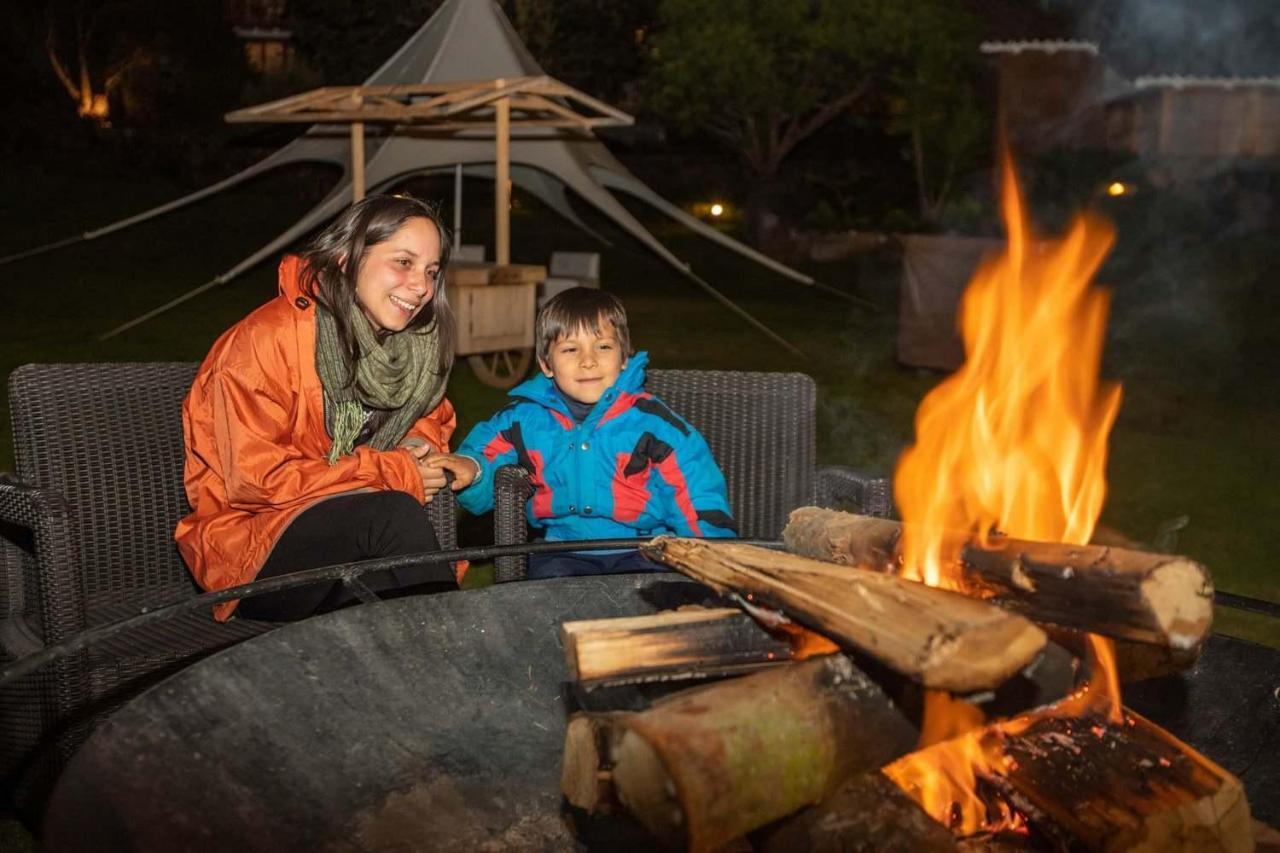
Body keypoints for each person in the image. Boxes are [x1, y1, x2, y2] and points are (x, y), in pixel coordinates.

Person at [176, 194, 463, 621]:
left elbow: (429, 416)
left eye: (431, 271)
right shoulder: (267, 341)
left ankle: (419, 665)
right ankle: (459, 650)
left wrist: (417, 446)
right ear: (345, 259)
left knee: (389, 600)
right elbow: (258, 481)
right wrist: (394, 470)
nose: (421, 286)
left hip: (348, 545)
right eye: (403, 262)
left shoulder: (404, 347)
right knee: (390, 518)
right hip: (252, 551)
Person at [431, 287, 737, 578]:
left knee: (651, 602)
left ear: (624, 357)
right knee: (544, 604)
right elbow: (485, 452)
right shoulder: (525, 420)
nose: (588, 361)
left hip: (643, 550)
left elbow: (695, 492)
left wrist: (711, 562)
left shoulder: (653, 426)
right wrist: (473, 469)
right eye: (570, 349)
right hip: (563, 552)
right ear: (546, 364)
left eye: (603, 346)